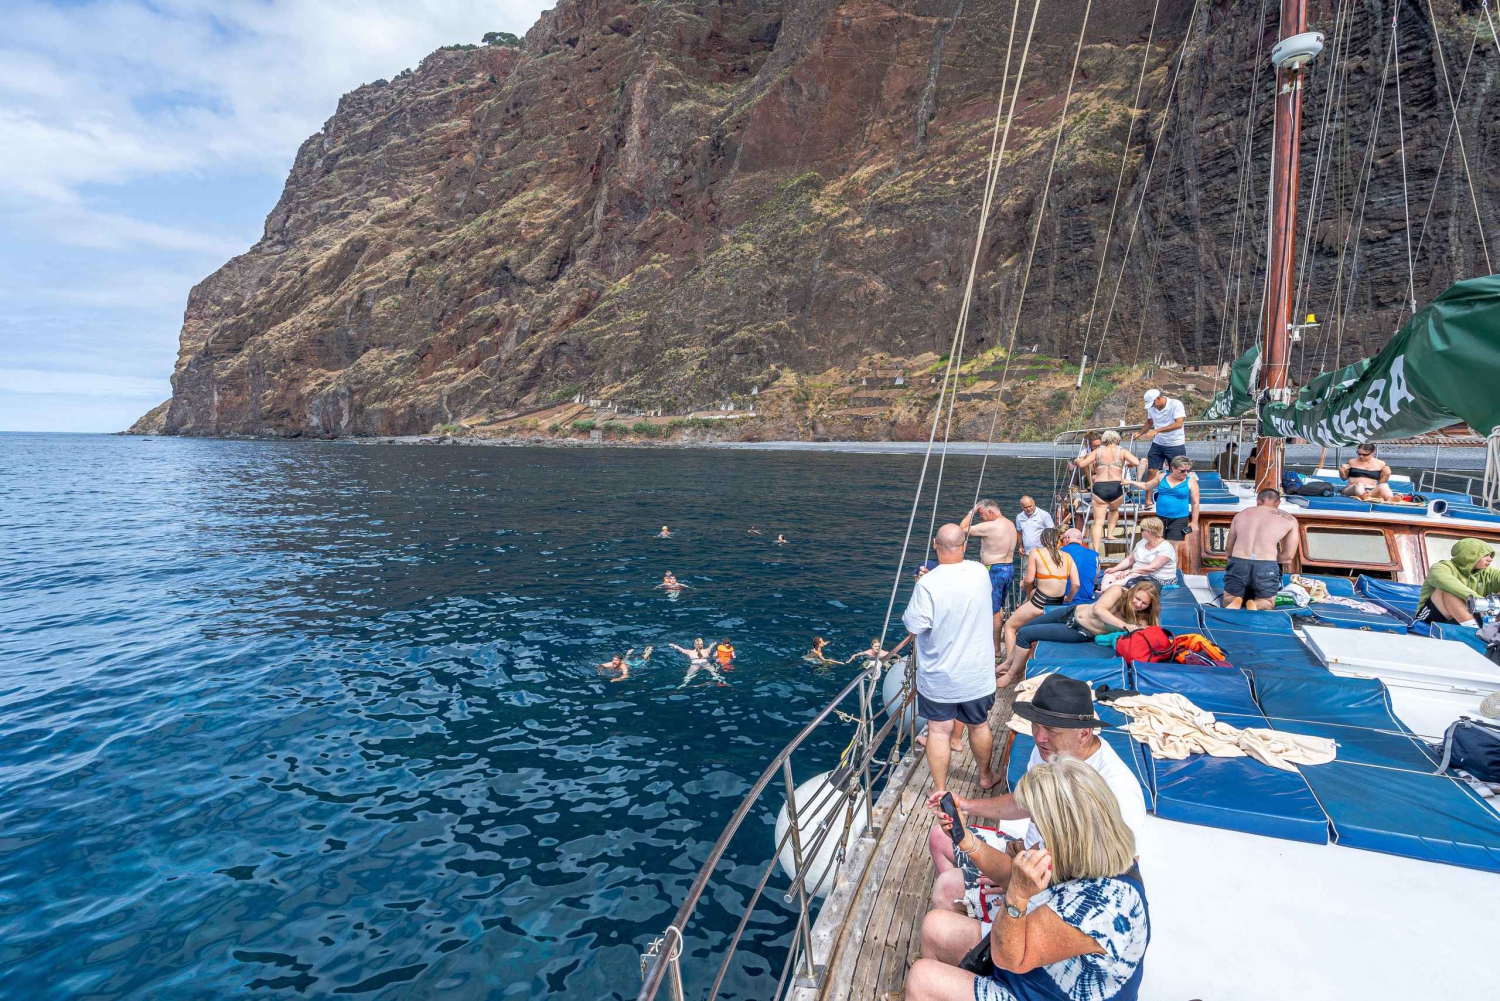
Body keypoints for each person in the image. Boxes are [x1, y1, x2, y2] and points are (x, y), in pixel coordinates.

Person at [907, 757, 1150, 1001]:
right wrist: (966, 840)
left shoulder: (1101, 907)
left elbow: (1008, 957)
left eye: (1037, 818)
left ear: (1066, 827)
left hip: (1039, 985)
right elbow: (1010, 874)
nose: (1032, 822)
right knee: (933, 927)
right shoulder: (1081, 853)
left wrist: (1018, 895)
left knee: (922, 978)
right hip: (1038, 972)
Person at [923, 675, 1148, 916]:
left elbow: (1115, 870)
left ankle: (969, 934)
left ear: (1084, 733)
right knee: (940, 836)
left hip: (1052, 883)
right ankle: (968, 923)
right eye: (1036, 725)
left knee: (946, 890)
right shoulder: (1051, 749)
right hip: (1025, 854)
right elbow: (1026, 803)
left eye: (1051, 729)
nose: (1039, 737)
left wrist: (1020, 886)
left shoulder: (1117, 788)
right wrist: (966, 805)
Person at [902, 524, 1000, 792]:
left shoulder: (927, 585)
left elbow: (914, 626)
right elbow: (958, 581)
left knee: (938, 731)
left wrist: (921, 581)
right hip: (977, 674)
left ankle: (941, 789)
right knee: (979, 725)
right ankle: (985, 776)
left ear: (935, 545)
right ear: (964, 546)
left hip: (939, 677)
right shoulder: (980, 572)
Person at [996, 579, 1161, 686]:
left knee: (1026, 635)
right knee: (1024, 628)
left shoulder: (1141, 621)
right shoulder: (1118, 592)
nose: (1138, 603)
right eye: (1137, 598)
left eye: (1143, 603)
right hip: (1070, 612)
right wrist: (1124, 625)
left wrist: (1133, 628)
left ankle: (1012, 674)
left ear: (1150, 606)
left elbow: (1147, 636)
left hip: (1080, 631)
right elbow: (1098, 610)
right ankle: (1009, 663)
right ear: (1133, 592)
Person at [1002, 529, 1078, 664]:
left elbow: (1029, 580)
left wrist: (1026, 587)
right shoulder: (1067, 557)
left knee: (1010, 626)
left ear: (1042, 541)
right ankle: (1029, 658)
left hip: (1039, 604)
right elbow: (1076, 584)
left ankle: (1010, 665)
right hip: (1056, 606)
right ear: (1058, 540)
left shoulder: (1036, 553)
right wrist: (1068, 599)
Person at [959, 499, 1020, 653]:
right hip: (1009, 568)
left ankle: (996, 648)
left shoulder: (990, 526)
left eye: (981, 514)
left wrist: (970, 512)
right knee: (998, 607)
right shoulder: (1010, 524)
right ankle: (996, 645)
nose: (980, 517)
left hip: (995, 569)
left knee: (993, 610)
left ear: (991, 512)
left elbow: (961, 530)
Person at [1223, 488, 1298, 610]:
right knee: (1267, 602)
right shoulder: (1290, 519)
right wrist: (1269, 558)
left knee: (1228, 598)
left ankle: (1235, 600)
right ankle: (1257, 604)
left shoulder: (1241, 514)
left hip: (1239, 561)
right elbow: (1288, 555)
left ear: (1258, 501)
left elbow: (1228, 547)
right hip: (1266, 564)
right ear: (1278, 503)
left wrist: (1233, 561)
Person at [1073, 429, 1142, 553]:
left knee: (1098, 522)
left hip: (1100, 487)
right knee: (1114, 510)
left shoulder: (1097, 451)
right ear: (1117, 440)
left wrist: (1077, 461)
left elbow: (1083, 464)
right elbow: (1137, 462)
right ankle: (1110, 533)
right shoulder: (1122, 451)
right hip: (1116, 486)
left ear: (1104, 440)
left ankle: (1095, 550)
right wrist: (1130, 465)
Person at [1416, 538, 1500, 627]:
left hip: (1470, 615)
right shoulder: (1441, 567)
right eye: (1485, 555)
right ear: (1469, 555)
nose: (1490, 559)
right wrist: (1477, 599)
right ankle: (1474, 630)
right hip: (1431, 616)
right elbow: (1441, 580)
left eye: (1491, 556)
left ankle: (1489, 628)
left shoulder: (1488, 573)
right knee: (1447, 590)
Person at [1139, 454, 1199, 568]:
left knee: (1171, 548)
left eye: (1188, 470)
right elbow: (1147, 485)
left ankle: (1171, 572)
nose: (1185, 473)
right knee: (1156, 544)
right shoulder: (1162, 477)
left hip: (1179, 518)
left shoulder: (1191, 482)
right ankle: (1155, 569)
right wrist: (1129, 482)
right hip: (1160, 518)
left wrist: (1194, 521)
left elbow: (1195, 503)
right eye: (1182, 471)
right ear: (1173, 469)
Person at [1139, 388, 1186, 506]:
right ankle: (1148, 500)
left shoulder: (1176, 404)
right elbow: (1149, 422)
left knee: (1177, 472)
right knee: (1151, 470)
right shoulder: (1152, 408)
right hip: (1158, 443)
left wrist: (1157, 431)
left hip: (1175, 443)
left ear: (1159, 398)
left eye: (1154, 403)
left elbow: (1179, 424)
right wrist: (1140, 433)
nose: (1153, 406)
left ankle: (1175, 499)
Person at [1101, 517, 1177, 590]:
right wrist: (1115, 569)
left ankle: (1104, 589)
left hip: (1159, 577)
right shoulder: (1142, 542)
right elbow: (1130, 559)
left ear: (1149, 532)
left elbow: (1152, 568)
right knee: (1109, 574)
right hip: (1137, 573)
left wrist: (1130, 571)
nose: (1140, 531)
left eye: (1141, 529)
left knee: (1130, 577)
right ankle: (1105, 589)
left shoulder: (1166, 547)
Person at [1060, 527, 1100, 604]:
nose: (1062, 542)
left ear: (1067, 538)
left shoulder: (1059, 553)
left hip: (1064, 599)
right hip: (1088, 600)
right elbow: (1095, 578)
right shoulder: (1095, 555)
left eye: (1063, 539)